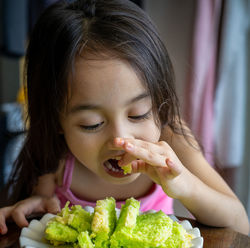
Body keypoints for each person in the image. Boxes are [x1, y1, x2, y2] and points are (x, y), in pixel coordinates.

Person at [0, 0, 249, 235]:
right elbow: (42, 204)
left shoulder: (171, 137)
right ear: (56, 121)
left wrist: (184, 184)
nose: (121, 139)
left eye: (138, 114)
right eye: (92, 124)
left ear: (160, 103)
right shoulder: (55, 157)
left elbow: (240, 224)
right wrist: (33, 210)